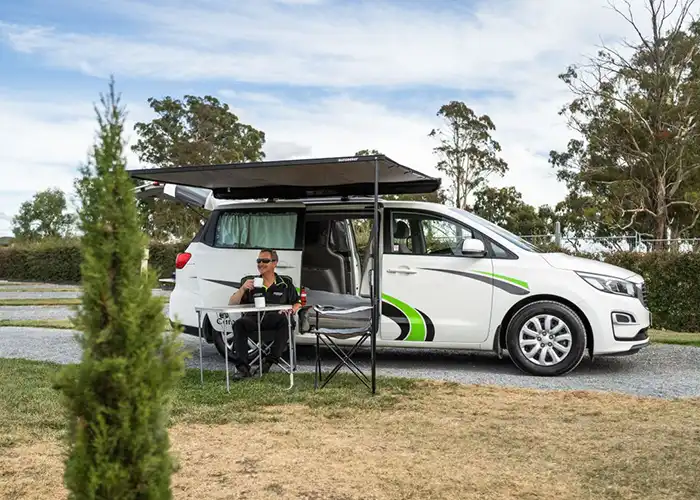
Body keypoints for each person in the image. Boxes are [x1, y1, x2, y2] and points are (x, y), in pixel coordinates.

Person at [228, 248, 301, 379]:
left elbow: (297, 302)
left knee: (286, 321)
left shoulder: (285, 283)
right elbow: (232, 304)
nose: (260, 264)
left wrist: (293, 309)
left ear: (275, 263)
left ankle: (269, 361)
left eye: (265, 261)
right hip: (253, 320)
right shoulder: (251, 282)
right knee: (239, 324)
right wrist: (242, 289)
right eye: (258, 260)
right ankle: (243, 368)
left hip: (275, 321)